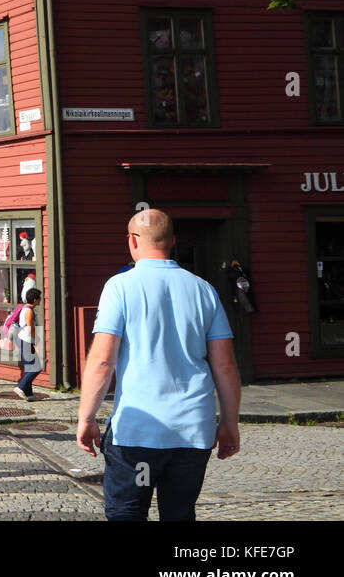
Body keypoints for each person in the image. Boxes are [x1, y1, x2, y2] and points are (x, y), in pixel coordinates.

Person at [77, 209, 242, 522]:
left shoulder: (120, 287)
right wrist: (229, 422)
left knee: (127, 513)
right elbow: (226, 366)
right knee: (180, 514)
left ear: (131, 240)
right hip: (193, 430)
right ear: (173, 242)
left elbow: (102, 360)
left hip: (139, 433)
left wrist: (86, 417)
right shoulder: (204, 289)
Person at [13, 287, 43, 401]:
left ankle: (29, 394)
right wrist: (37, 341)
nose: (40, 300)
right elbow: (31, 328)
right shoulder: (29, 311)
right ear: (35, 299)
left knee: (29, 367)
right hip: (26, 340)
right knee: (36, 367)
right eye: (39, 298)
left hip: (22, 339)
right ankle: (21, 387)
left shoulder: (25, 308)